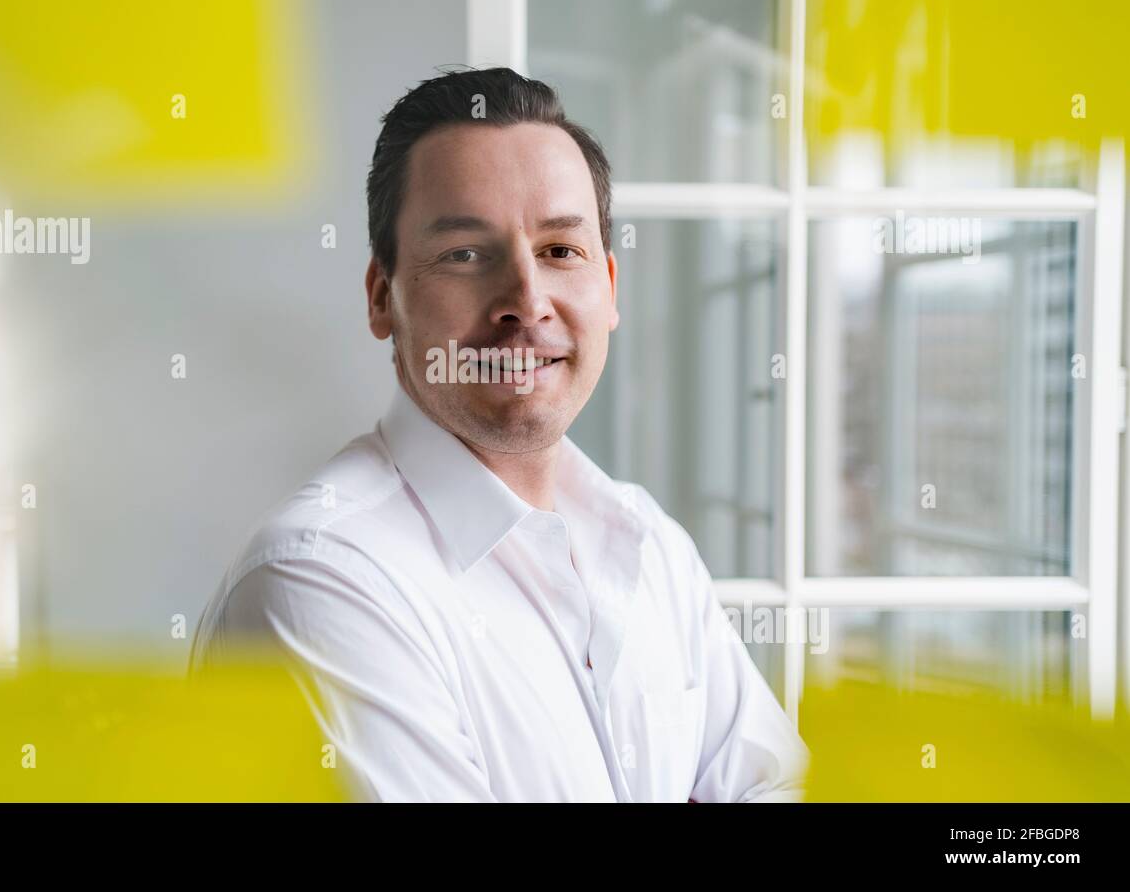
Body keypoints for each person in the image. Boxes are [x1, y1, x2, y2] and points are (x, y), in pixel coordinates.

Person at [191, 67, 809, 801]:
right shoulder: (320, 579)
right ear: (382, 297)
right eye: (464, 254)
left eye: (560, 251)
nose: (526, 300)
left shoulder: (652, 546)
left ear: (608, 288)